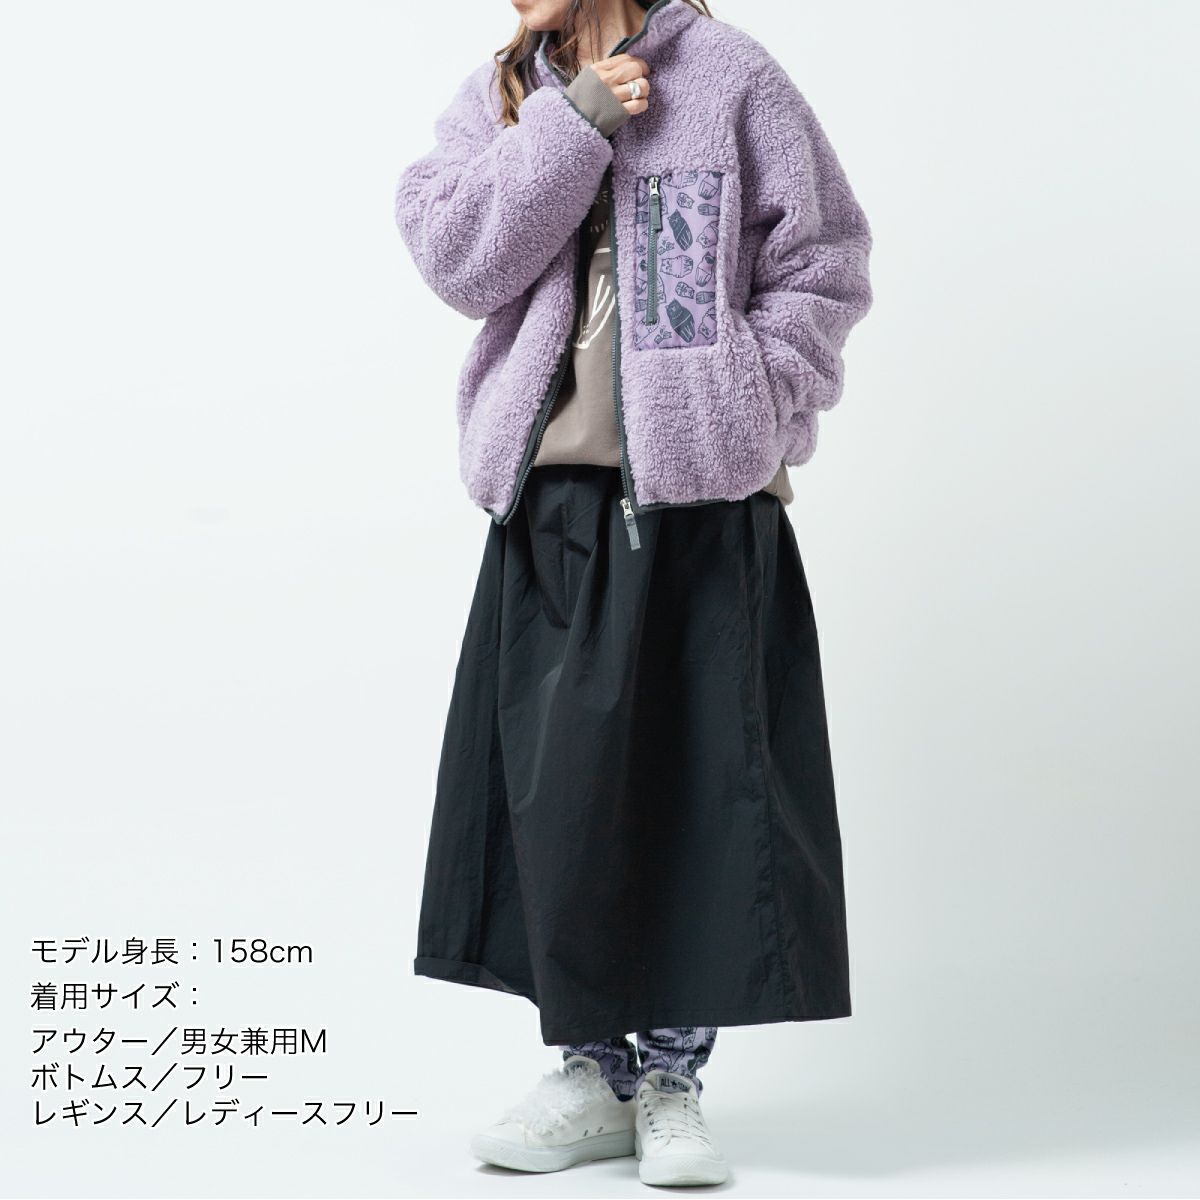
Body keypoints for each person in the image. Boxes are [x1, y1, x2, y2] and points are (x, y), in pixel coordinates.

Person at [394, 0, 873, 1186]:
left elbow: (824, 260)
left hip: (703, 502)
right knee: (563, 802)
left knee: (699, 791)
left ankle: (670, 1081)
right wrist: (575, 121)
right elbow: (458, 258)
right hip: (555, 498)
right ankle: (591, 1072)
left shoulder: (732, 76)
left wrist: (756, 400)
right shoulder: (509, 92)